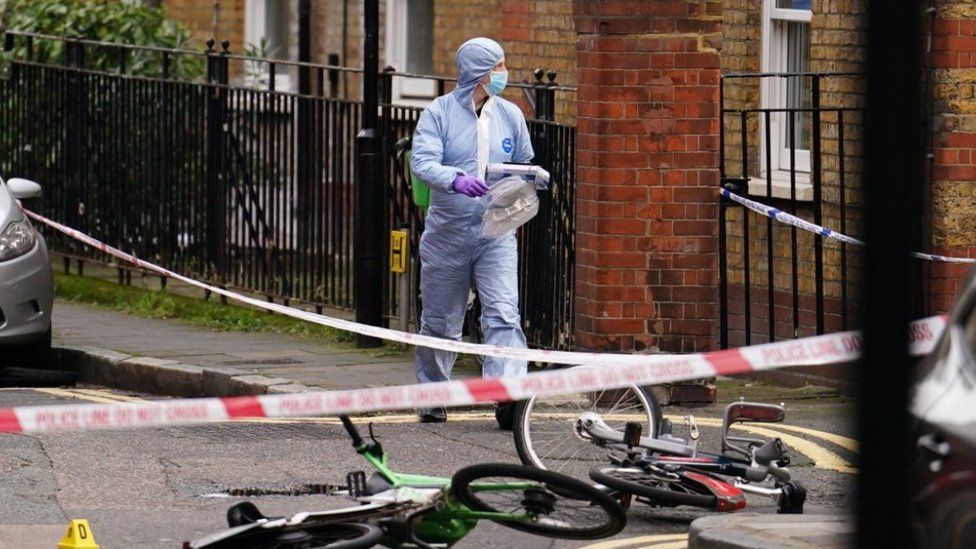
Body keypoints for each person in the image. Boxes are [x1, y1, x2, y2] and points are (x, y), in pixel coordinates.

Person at [410, 37, 533, 428]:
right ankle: (433, 395)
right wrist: (455, 180)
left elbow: (523, 162)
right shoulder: (439, 114)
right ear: (479, 73)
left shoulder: (510, 115)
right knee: (442, 321)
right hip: (448, 233)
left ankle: (507, 396)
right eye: (497, 66)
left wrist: (522, 186)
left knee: (502, 313)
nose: (503, 73)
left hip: (496, 233)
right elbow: (422, 162)